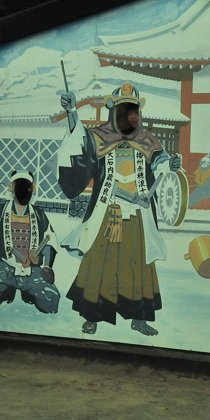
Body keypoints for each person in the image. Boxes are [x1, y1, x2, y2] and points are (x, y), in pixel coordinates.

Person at [57, 83, 181, 336]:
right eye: (123, 111)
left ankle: (139, 318)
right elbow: (78, 142)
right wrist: (72, 113)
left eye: (133, 111)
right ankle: (92, 315)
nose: (129, 116)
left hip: (138, 214)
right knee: (100, 265)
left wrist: (172, 163)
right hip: (107, 211)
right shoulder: (98, 138)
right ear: (113, 112)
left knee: (138, 267)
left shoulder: (148, 140)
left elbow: (161, 164)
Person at [0, 170, 60, 313]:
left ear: (33, 188)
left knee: (51, 298)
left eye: (27, 186)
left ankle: (28, 293)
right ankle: (6, 292)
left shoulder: (39, 214)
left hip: (32, 269)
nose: (23, 190)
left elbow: (49, 241)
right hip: (4, 265)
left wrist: (48, 267)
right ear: (10, 187)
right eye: (19, 186)